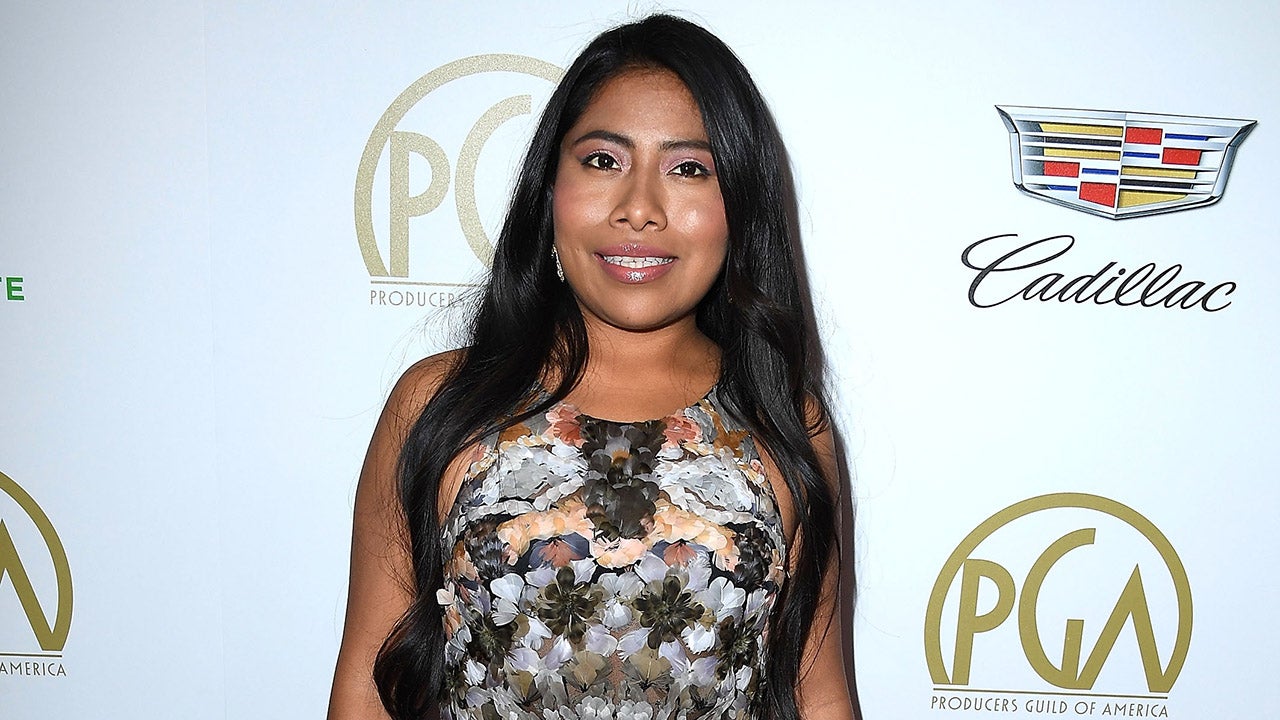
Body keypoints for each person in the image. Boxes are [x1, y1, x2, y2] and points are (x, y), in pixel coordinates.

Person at [329, 13, 855, 720]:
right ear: (550, 186)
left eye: (689, 169)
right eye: (604, 161)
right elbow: (365, 689)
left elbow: (818, 695)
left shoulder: (785, 422)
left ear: (741, 206)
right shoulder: (440, 402)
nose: (639, 209)